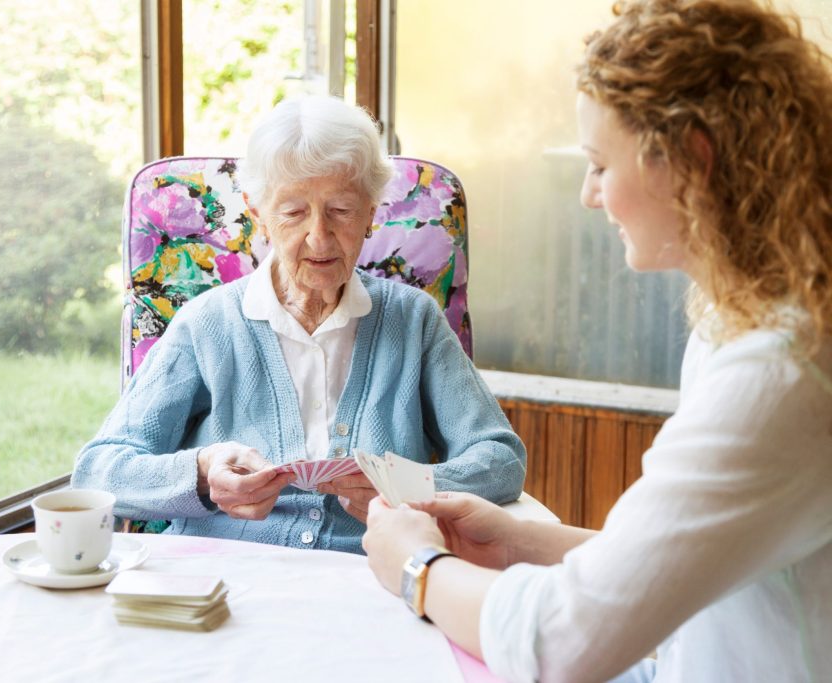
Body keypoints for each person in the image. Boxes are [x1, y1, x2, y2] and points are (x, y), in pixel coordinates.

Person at [362, 1, 832, 680]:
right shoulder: (743, 317)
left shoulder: (779, 375)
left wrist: (417, 569)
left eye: (600, 165)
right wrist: (520, 540)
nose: (588, 195)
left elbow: (562, 643)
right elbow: (688, 556)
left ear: (691, 160)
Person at [72, 96, 526, 555]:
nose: (319, 237)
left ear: (371, 213)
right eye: (293, 212)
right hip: (227, 581)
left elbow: (501, 460)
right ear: (259, 216)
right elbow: (98, 470)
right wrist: (204, 473)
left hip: (371, 579)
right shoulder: (206, 324)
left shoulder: (413, 320)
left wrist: (407, 487)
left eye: (341, 210)